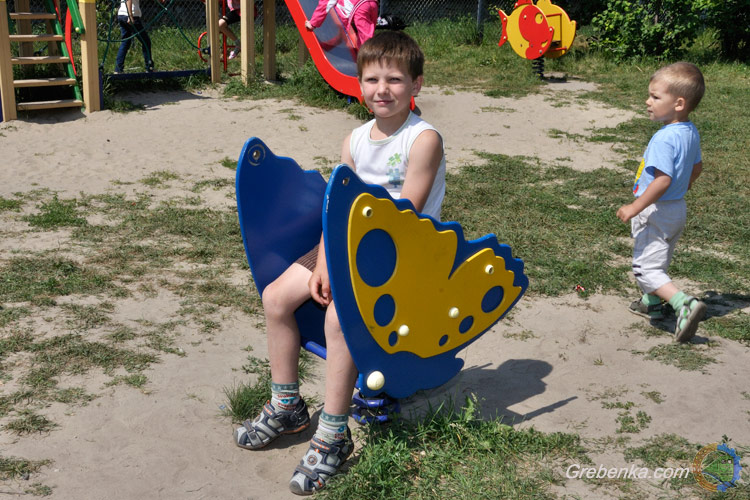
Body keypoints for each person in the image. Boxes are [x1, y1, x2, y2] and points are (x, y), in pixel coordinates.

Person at [233, 30, 446, 495]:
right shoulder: (354, 140)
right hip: (347, 245)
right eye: (372, 79)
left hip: (400, 253)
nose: (382, 89)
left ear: (416, 84)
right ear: (359, 84)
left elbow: (404, 214)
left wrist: (344, 266)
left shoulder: (423, 140)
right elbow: (337, 209)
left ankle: (333, 434)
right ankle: (287, 406)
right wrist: (326, 260)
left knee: (338, 320)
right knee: (276, 298)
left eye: (394, 79)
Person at [616, 61, 707, 343]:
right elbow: (696, 168)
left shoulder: (663, 139)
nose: (648, 101)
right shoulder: (690, 131)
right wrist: (684, 187)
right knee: (658, 259)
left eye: (655, 97)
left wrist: (635, 207)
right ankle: (652, 302)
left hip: (656, 210)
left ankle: (683, 303)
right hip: (676, 208)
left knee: (645, 267)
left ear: (678, 103)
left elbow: (662, 180)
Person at [304, 0, 379, 49]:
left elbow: (325, 5)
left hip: (360, 6)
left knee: (366, 39)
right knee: (368, 33)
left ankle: (368, 61)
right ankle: (340, 39)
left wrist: (313, 23)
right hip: (373, 3)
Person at [114, 0, 163, 74]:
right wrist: (130, 16)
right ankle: (149, 67)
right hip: (131, 15)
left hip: (122, 14)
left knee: (125, 42)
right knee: (146, 41)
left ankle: (118, 69)